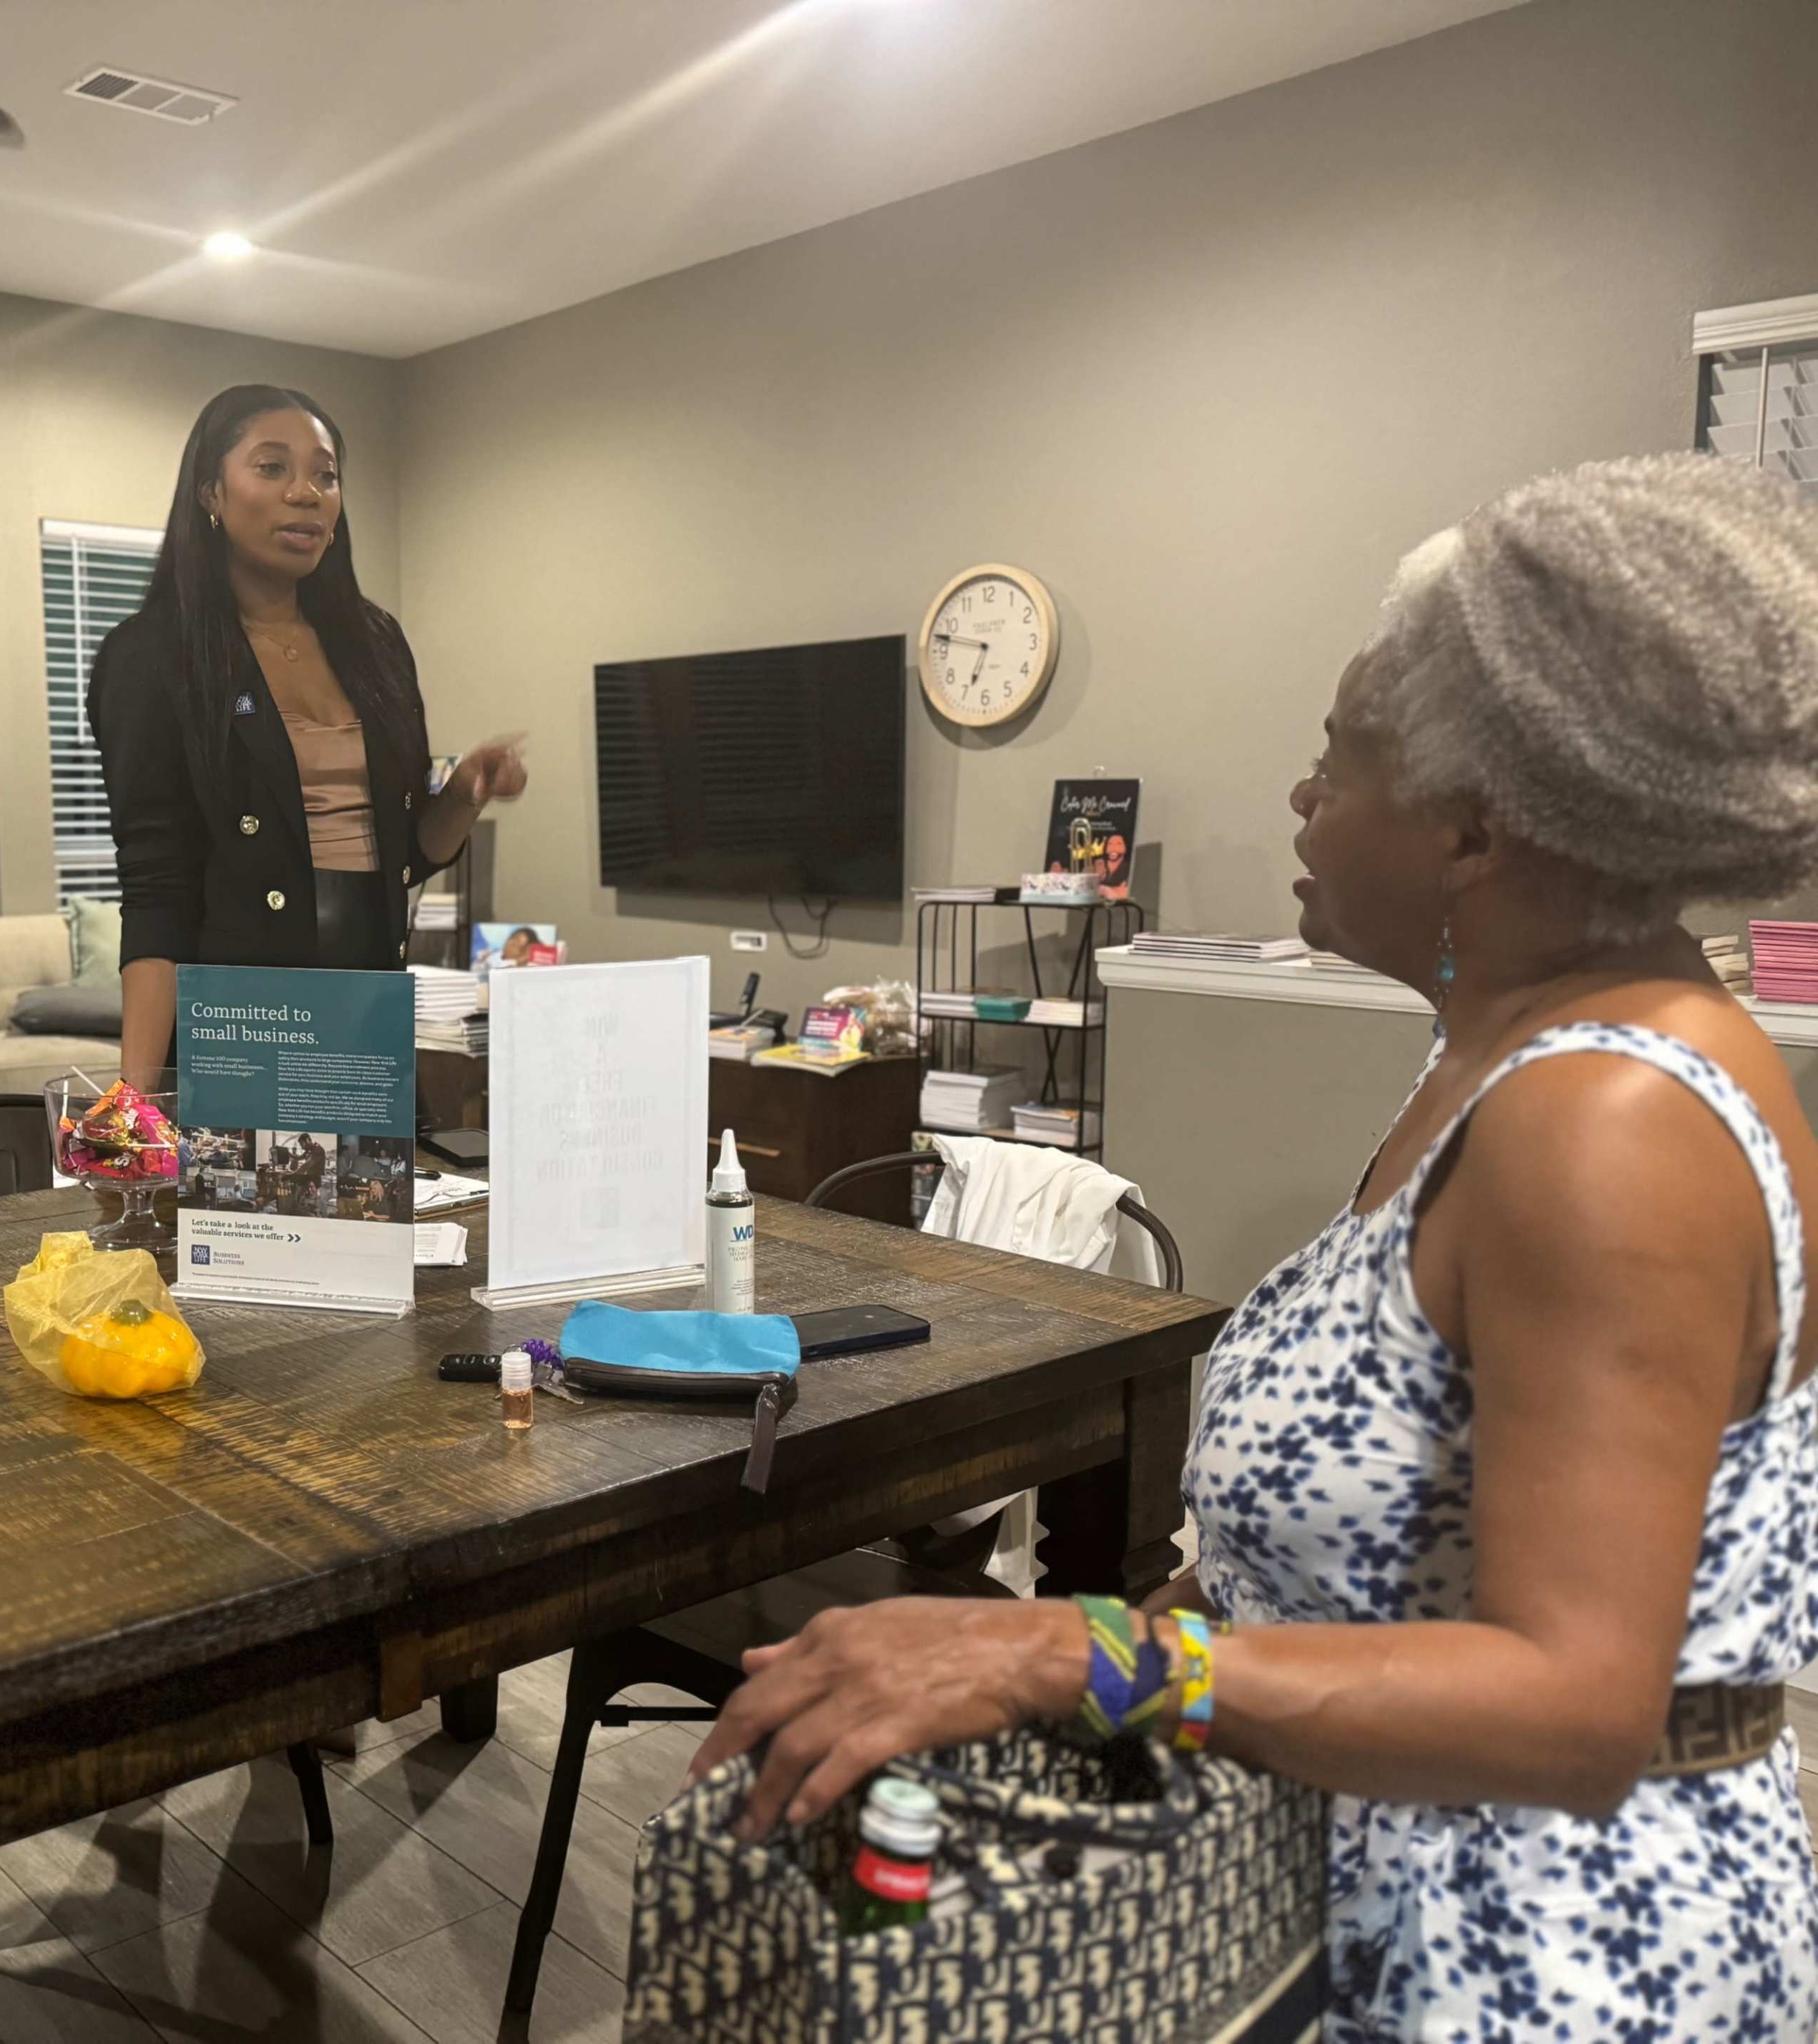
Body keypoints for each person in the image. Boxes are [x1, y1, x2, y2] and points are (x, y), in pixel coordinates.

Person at [689, 454, 1818, 2038]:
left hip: (1534, 1964)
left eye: (1335, 759)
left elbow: (1579, 1703)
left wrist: (1064, 1652)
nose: (1301, 800)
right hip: (1376, 1887)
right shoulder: (1492, 1065)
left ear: (1476, 829)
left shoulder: (1610, 1119)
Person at [90, 384, 527, 1086]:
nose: (307, 493)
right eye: (272, 468)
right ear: (210, 490)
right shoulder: (152, 657)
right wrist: (136, 1100)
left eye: (325, 475)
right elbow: (156, 889)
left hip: (365, 1013)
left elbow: (408, 857)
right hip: (241, 1023)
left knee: (379, 1198)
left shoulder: (376, 642)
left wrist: (467, 792)